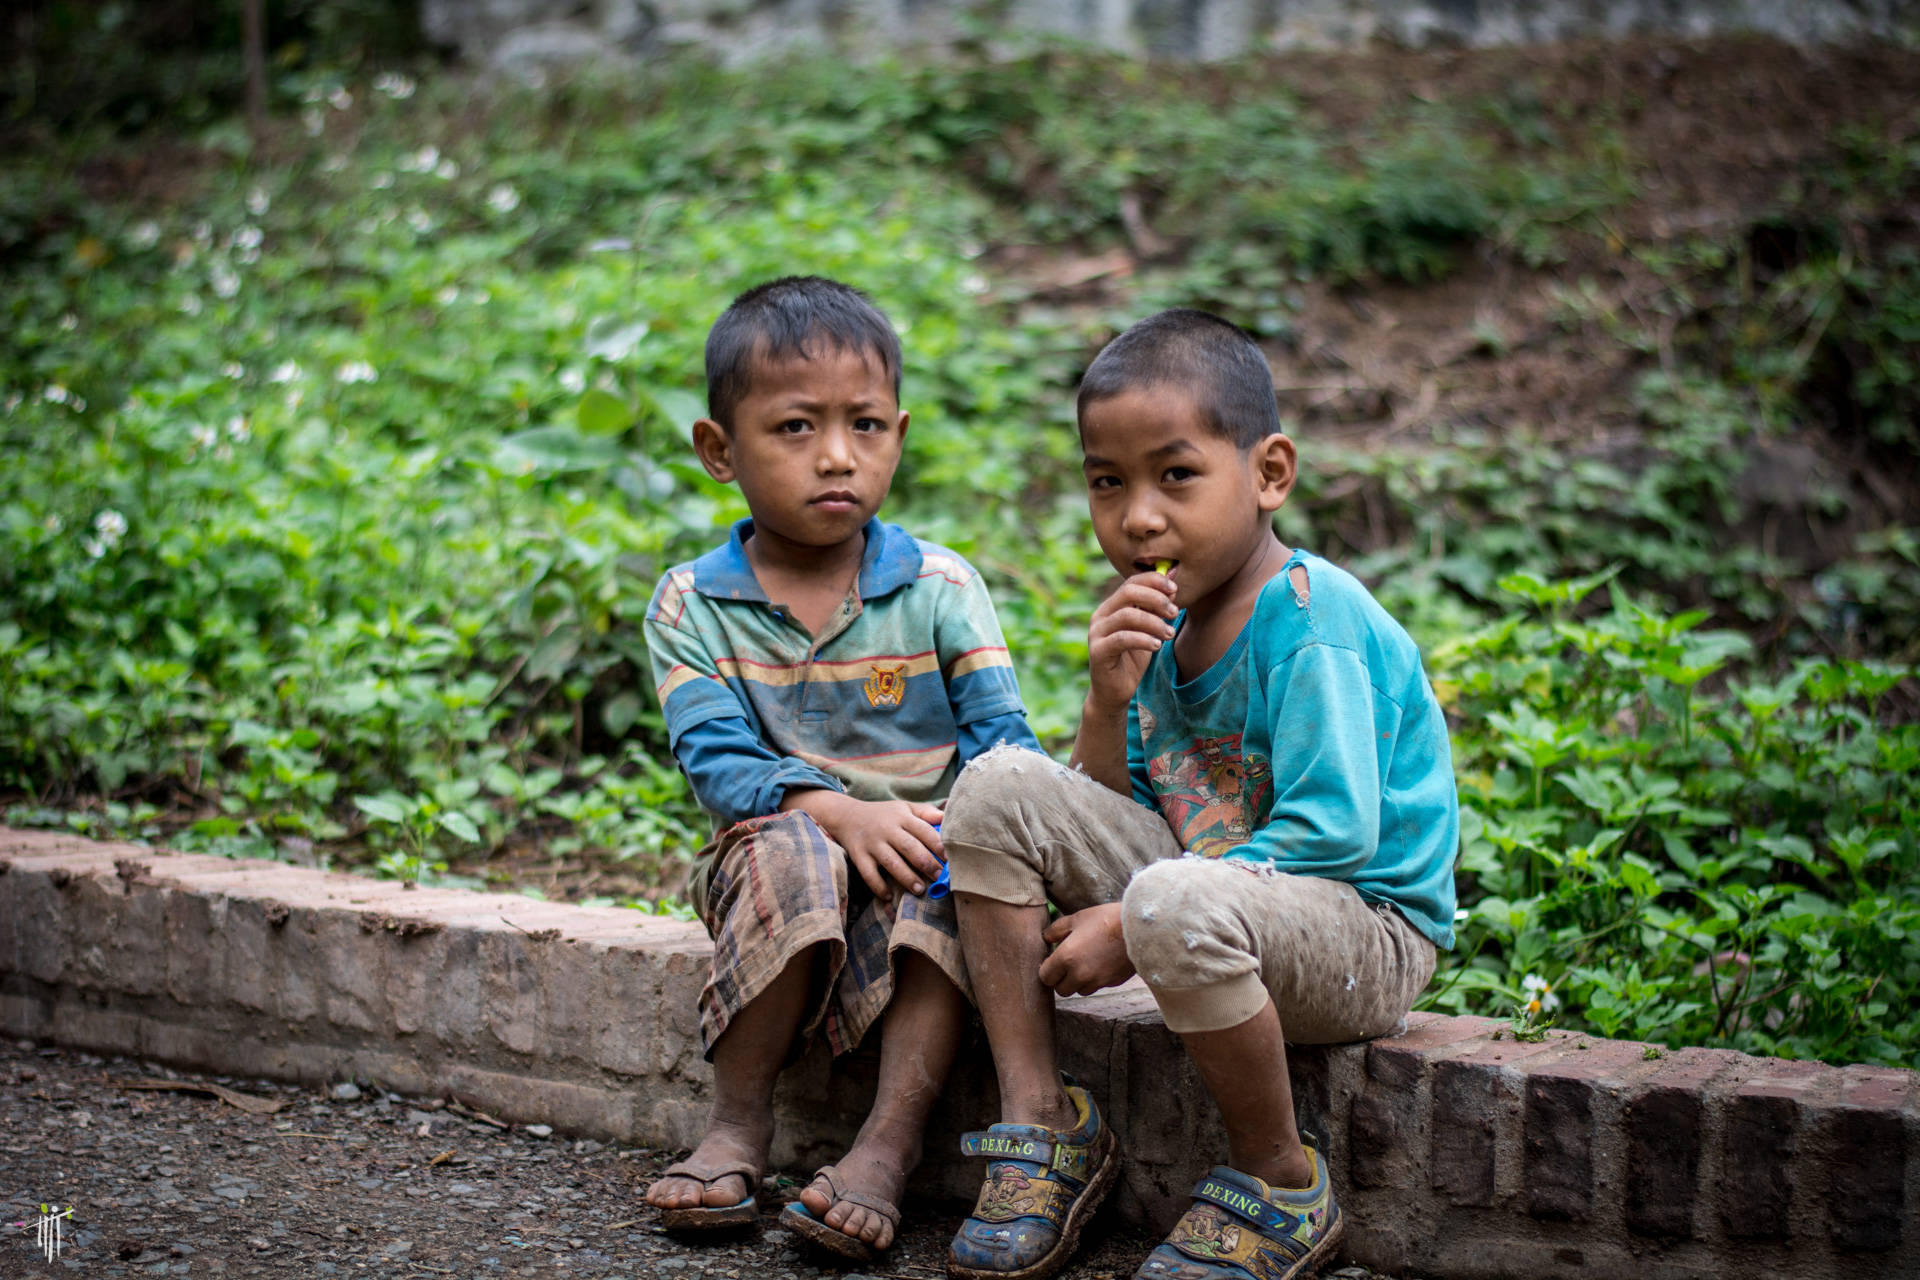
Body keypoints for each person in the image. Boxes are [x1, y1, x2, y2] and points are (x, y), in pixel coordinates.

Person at [940, 309, 1458, 1280]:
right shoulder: (1162, 636)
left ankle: (1282, 1179)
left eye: (1176, 475)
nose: (1138, 515)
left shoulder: (1313, 616)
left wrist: (1136, 924)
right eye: (1108, 481)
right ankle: (1040, 1117)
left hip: (1363, 926)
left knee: (1169, 897)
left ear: (1267, 472)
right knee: (997, 783)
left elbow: (1335, 832)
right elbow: (1115, 812)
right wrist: (1107, 697)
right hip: (1221, 902)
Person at [640, 276, 1043, 1262]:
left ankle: (886, 1146)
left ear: (898, 434)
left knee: (963, 875)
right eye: (794, 427)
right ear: (718, 450)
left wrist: (953, 833)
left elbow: (1005, 744)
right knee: (793, 851)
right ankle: (738, 1120)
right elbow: (719, 762)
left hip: (924, 854)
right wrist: (837, 812)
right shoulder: (692, 602)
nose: (837, 455)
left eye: (865, 424)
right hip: (780, 859)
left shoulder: (940, 587)